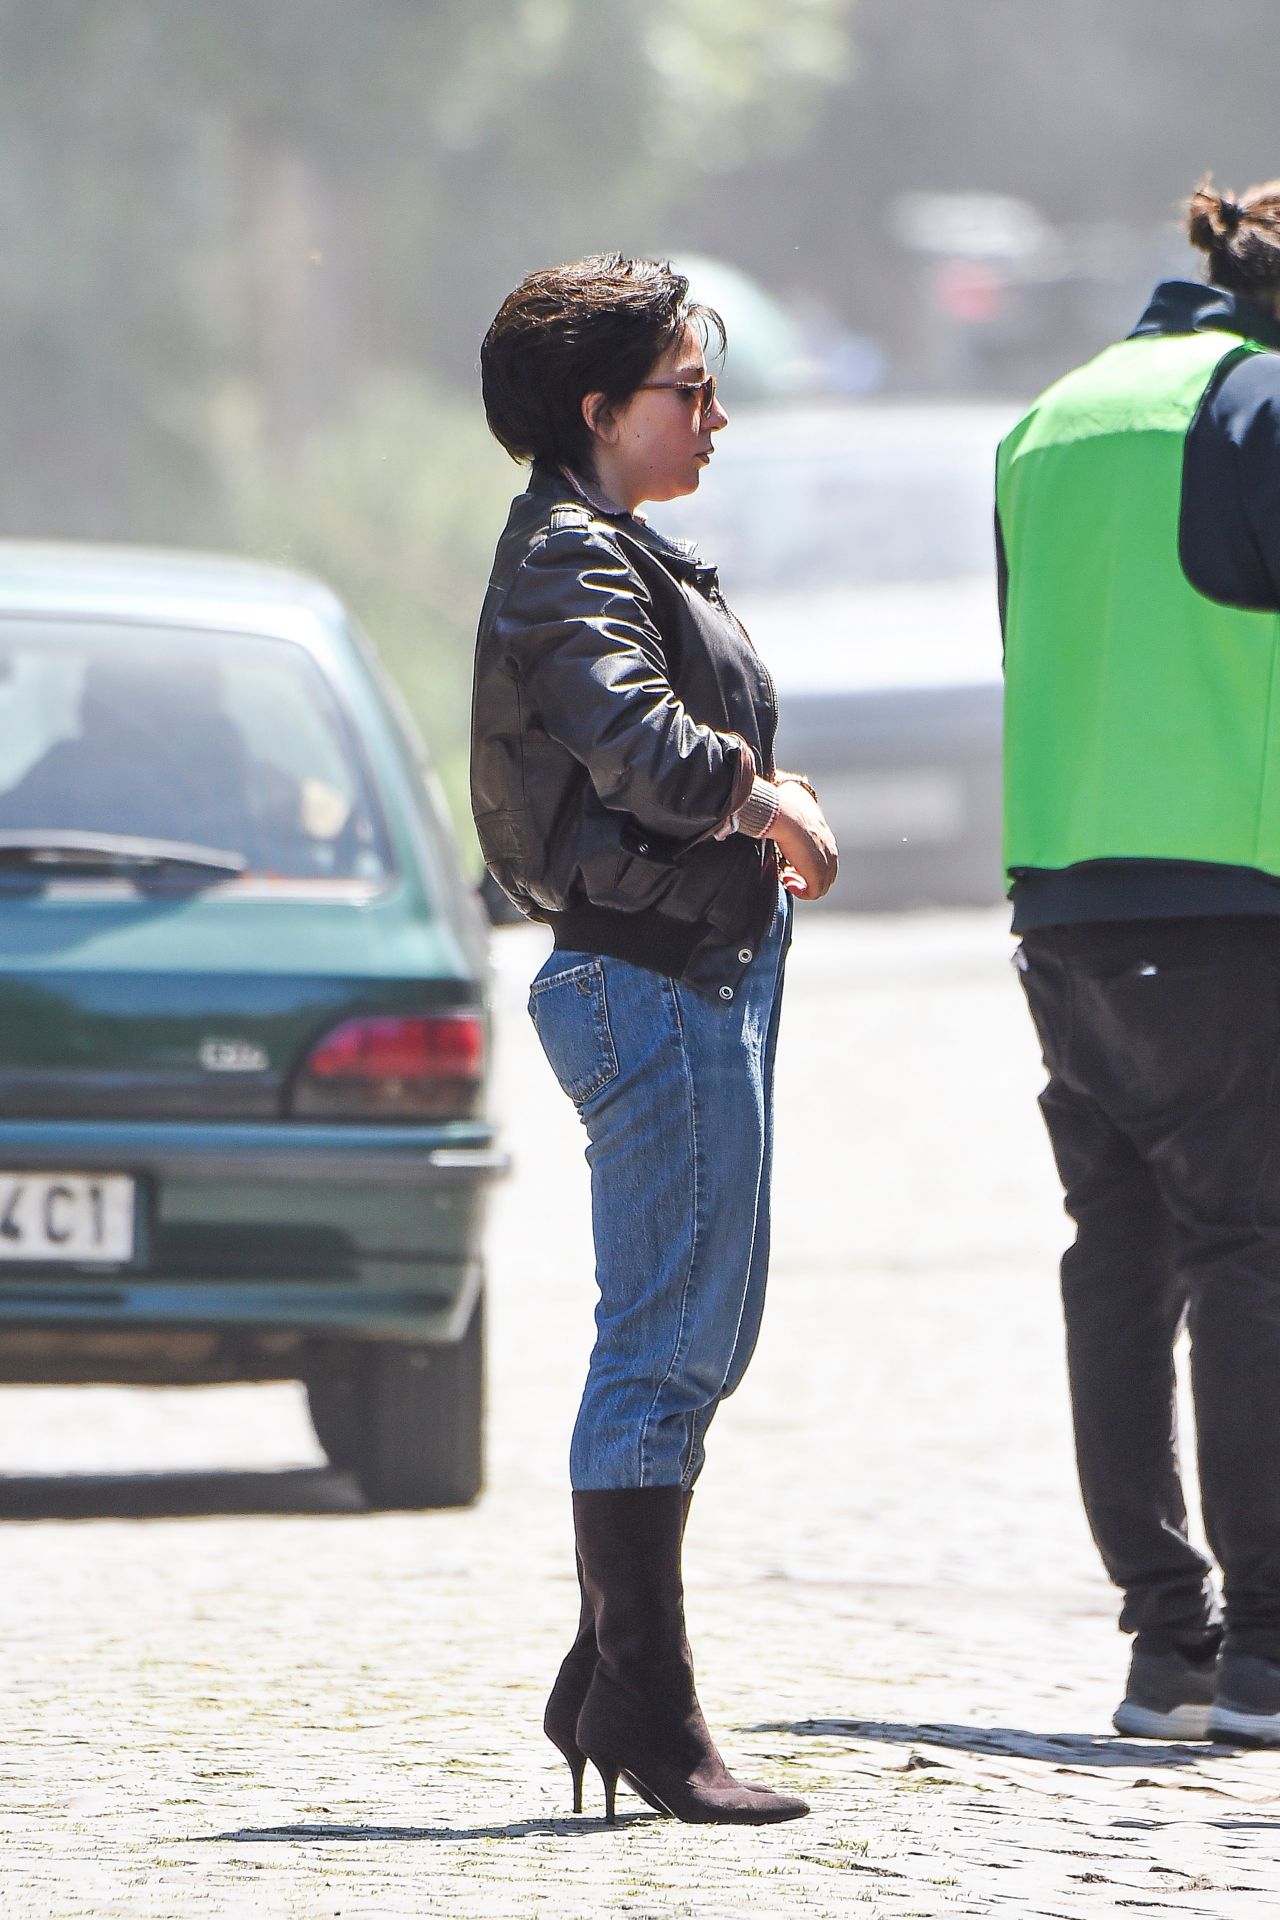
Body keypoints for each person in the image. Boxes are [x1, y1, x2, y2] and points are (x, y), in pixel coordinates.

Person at [472, 254, 837, 1822]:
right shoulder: (569, 557)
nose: (714, 417)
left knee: (700, 1340)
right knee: (662, 1352)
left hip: (689, 969)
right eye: (689, 391)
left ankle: (605, 1675)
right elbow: (633, 745)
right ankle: (645, 1704)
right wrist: (762, 795)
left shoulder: (610, 547)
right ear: (598, 409)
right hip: (648, 975)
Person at [997, 177, 1280, 1745]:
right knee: (1251, 1256)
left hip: (1064, 901)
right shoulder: (1257, 408)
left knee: (1121, 1261)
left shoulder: (1049, 421)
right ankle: (1270, 1654)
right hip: (1228, 892)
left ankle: (1166, 1648)